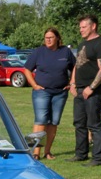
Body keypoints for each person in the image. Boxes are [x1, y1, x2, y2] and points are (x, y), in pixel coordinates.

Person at [23, 27, 75, 160]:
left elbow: (75, 67)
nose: (48, 40)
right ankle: (35, 153)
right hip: (42, 92)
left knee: (53, 122)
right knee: (41, 120)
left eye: (51, 37)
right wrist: (34, 85)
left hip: (60, 93)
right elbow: (27, 69)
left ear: (57, 38)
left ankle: (47, 152)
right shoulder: (39, 52)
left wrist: (71, 82)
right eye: (46, 37)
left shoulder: (65, 52)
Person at [68, 14, 101, 166]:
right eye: (80, 27)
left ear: (93, 26)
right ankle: (81, 154)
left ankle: (98, 158)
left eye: (84, 27)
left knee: (94, 125)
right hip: (79, 90)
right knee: (79, 123)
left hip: (93, 92)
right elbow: (77, 65)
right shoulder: (82, 44)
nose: (81, 30)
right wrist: (72, 83)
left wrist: (91, 88)